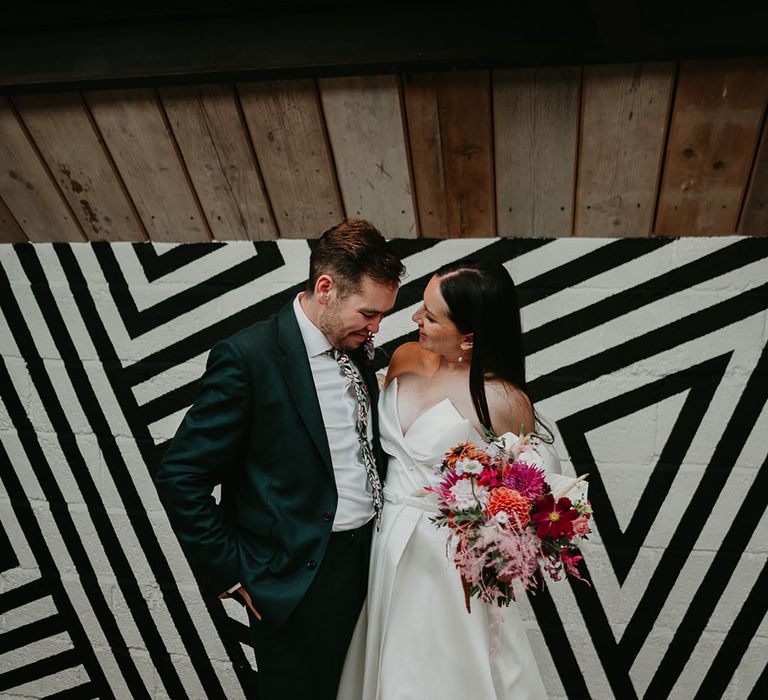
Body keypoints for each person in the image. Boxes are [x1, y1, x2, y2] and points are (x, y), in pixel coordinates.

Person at [153, 220, 405, 700]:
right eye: (368, 313)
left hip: (370, 566)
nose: (376, 328)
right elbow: (180, 474)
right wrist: (232, 570)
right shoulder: (249, 357)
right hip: (294, 577)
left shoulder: (358, 350)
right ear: (325, 288)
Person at [339, 260, 557, 699]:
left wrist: (497, 533)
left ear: (469, 337)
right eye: (422, 306)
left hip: (444, 560)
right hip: (383, 543)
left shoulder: (506, 401)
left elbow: (524, 489)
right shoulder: (405, 357)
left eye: (430, 315)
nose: (415, 319)